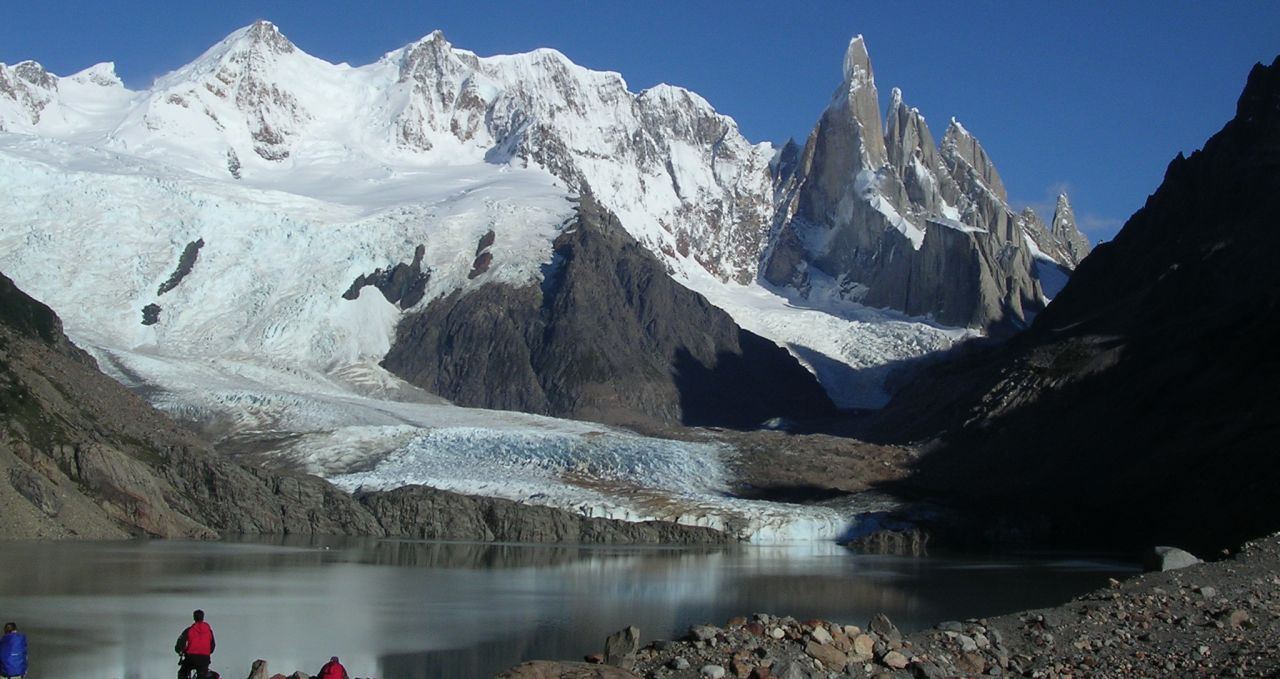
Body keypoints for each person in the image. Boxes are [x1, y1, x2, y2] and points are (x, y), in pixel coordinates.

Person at [175, 609, 215, 679]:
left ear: (194, 618)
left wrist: (180, 651)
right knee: (203, 674)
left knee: (182, 672)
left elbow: (180, 643)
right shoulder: (209, 631)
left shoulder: (189, 630)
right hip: (204, 659)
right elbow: (212, 646)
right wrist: (207, 652)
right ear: (203, 617)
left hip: (191, 658)